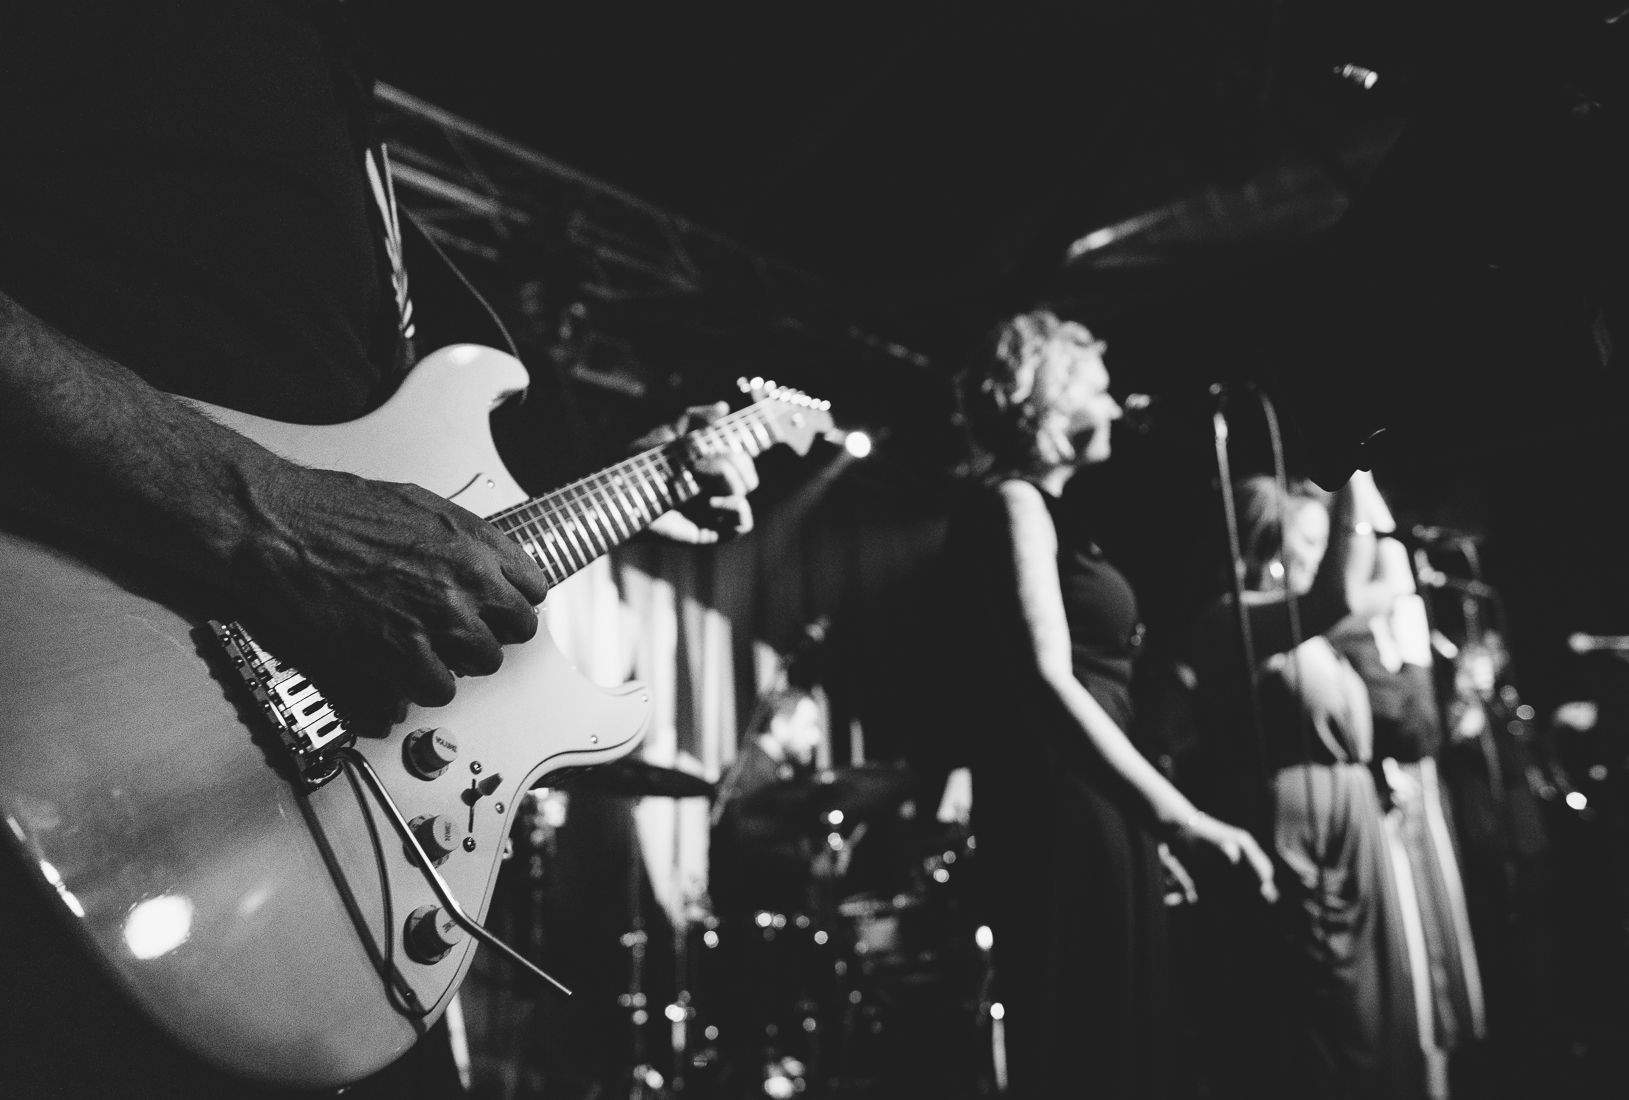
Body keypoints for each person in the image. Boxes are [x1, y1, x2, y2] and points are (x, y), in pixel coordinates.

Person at [0, 4, 756, 1097]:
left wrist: (652, 475)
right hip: (74, 768)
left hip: (313, 852)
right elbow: (323, 516)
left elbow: (388, 466)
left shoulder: (334, 76)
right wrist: (268, 518)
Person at [941, 309, 1276, 1099]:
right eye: (1101, 387)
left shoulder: (1041, 511)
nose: (1121, 405)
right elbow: (1049, 682)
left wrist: (1143, 823)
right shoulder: (1012, 504)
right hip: (1062, 799)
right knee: (1093, 1038)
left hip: (1093, 798)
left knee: (1117, 1028)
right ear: (1048, 402)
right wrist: (1181, 820)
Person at [1188, 472, 1425, 1100]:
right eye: (1310, 539)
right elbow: (1346, 590)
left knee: (1371, 1013)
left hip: (1350, 821)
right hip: (1298, 830)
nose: (1324, 554)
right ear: (1268, 543)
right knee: (1320, 1019)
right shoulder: (1230, 620)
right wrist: (1349, 465)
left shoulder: (1312, 634)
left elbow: (1385, 577)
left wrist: (1367, 477)